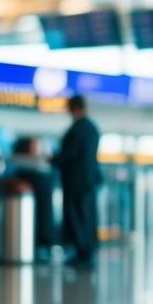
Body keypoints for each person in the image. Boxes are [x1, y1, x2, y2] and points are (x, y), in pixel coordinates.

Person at [53, 95, 102, 269]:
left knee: (77, 218)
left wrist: (53, 160)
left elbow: (69, 155)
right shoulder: (92, 128)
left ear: (72, 108)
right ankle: (86, 253)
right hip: (89, 180)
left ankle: (83, 254)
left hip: (76, 181)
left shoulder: (77, 129)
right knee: (87, 217)